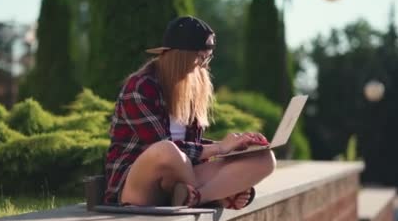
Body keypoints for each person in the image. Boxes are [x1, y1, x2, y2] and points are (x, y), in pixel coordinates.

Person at [104, 16, 276, 209]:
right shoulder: (140, 87)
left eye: (208, 56)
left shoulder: (193, 88)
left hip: (182, 182)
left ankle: (199, 197)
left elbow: (190, 148)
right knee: (167, 150)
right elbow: (160, 148)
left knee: (264, 158)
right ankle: (218, 195)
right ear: (182, 55)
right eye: (201, 57)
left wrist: (234, 146)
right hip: (139, 185)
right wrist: (219, 149)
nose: (204, 64)